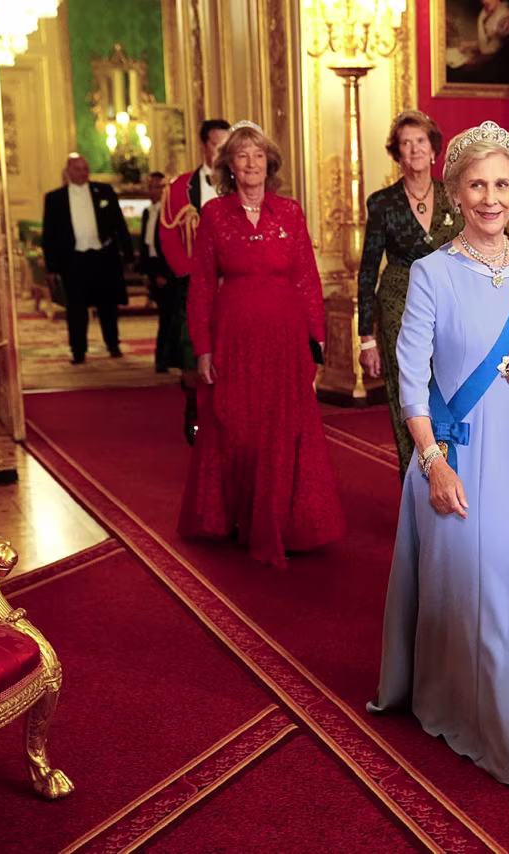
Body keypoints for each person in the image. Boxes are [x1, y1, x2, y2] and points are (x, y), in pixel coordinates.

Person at [368, 121, 509, 789]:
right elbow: (409, 376)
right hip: (461, 453)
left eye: (502, 184)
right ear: (457, 193)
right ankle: (470, 714)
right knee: (481, 593)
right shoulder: (432, 273)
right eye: (477, 184)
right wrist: (432, 461)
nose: (490, 197)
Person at [176, 121, 344, 569]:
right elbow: (202, 285)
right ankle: (238, 518)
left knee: (284, 425)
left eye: (258, 155)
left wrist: (318, 340)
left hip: (286, 337)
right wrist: (203, 347)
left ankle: (285, 521)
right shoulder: (214, 215)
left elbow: (307, 278)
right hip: (233, 336)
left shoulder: (290, 212)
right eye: (241, 155)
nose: (250, 163)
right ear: (228, 165)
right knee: (237, 425)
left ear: (270, 163)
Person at [357, 110, 460, 478]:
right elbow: (368, 268)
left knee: (450, 389)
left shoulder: (454, 195)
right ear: (397, 154)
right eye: (406, 143)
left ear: (433, 149)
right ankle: (414, 483)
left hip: (450, 305)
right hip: (399, 303)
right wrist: (366, 338)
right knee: (409, 395)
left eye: (421, 141)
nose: (414, 149)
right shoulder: (382, 203)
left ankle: (452, 474)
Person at [159, 118, 232, 443]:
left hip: (232, 284)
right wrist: (192, 277)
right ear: (204, 145)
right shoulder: (179, 188)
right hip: (194, 286)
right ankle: (193, 407)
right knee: (192, 355)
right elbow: (168, 235)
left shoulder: (239, 182)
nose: (222, 152)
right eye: (217, 145)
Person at [40, 154, 134, 364]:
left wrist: (127, 254)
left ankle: (113, 344)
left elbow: (119, 225)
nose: (83, 173)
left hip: (103, 257)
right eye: (79, 169)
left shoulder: (104, 191)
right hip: (73, 260)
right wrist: (51, 267)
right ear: (68, 172)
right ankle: (78, 351)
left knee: (107, 305)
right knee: (76, 308)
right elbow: (49, 235)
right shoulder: (54, 199)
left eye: (86, 168)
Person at [139, 171, 177, 373]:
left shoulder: (172, 213)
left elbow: (171, 246)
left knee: (168, 317)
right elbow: (147, 246)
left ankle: (164, 358)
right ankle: (163, 358)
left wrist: (165, 274)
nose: (156, 191)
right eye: (152, 187)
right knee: (164, 315)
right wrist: (148, 274)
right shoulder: (148, 212)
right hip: (154, 270)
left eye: (160, 187)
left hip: (167, 271)